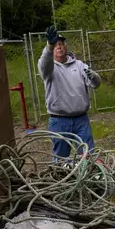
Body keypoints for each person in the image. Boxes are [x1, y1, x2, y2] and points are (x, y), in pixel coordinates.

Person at [38, 26, 101, 157]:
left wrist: (93, 76)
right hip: (59, 121)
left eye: (61, 44)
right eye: (56, 45)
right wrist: (49, 45)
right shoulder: (49, 69)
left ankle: (90, 176)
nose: (59, 46)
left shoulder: (79, 65)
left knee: (88, 155)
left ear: (66, 47)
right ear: (51, 50)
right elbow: (45, 64)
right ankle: (63, 176)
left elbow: (95, 84)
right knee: (61, 158)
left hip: (81, 119)